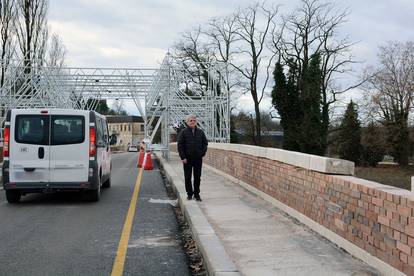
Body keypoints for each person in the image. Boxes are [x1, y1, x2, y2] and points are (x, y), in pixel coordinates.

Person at [177, 114, 208, 201]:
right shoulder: (183, 132)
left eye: (194, 120)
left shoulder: (200, 132)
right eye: (190, 120)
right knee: (188, 177)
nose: (192, 122)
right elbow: (180, 146)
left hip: (198, 158)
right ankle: (189, 194)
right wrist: (183, 157)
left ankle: (197, 194)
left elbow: (205, 143)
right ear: (187, 122)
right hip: (187, 159)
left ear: (196, 122)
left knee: (197, 177)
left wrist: (202, 153)